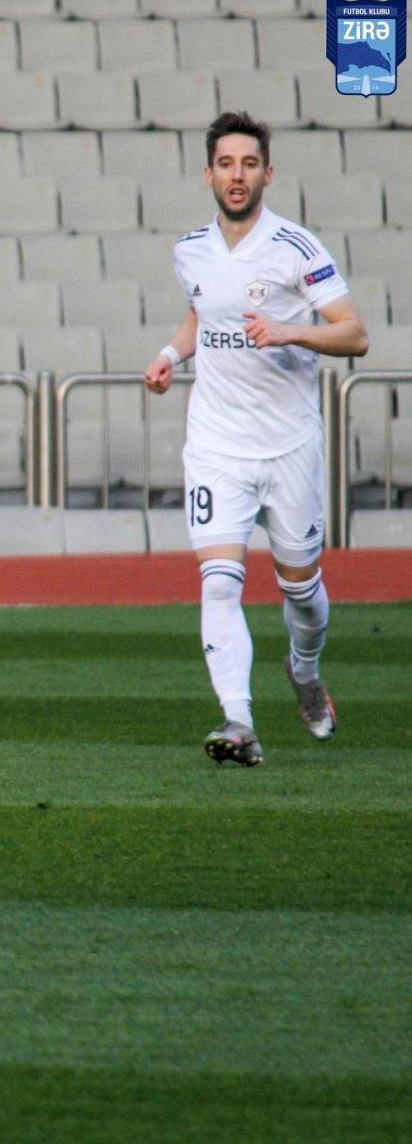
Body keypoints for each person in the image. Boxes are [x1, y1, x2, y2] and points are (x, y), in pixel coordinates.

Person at [143, 111, 368, 766]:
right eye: (225, 164)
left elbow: (354, 334)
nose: (236, 175)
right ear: (207, 174)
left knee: (301, 589)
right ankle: (238, 721)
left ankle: (304, 670)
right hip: (216, 446)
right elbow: (201, 312)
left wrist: (289, 330)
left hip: (288, 445)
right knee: (219, 582)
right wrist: (168, 354)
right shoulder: (190, 249)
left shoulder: (297, 248)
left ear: (267, 173)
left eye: (247, 164)